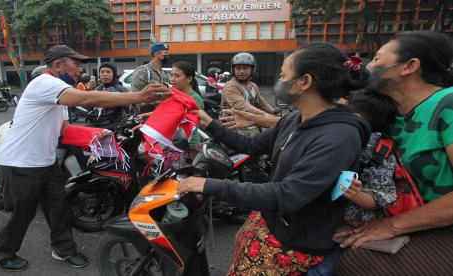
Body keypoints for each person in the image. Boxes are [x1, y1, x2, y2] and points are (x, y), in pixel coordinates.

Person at [178, 43, 371, 275]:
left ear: (305, 82)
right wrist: (209, 123)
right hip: (272, 222)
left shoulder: (338, 137)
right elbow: (250, 145)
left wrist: (209, 185)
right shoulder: (294, 119)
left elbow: (286, 195)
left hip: (297, 242)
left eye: (283, 75)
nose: (279, 81)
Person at [0, 45, 171, 272]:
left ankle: (63, 249)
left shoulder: (61, 92)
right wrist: (139, 96)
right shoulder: (44, 83)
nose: (80, 70)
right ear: (58, 65)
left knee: (60, 208)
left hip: (45, 162)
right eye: (76, 64)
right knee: (22, 214)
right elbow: (86, 98)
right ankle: (0, 253)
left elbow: (65, 132)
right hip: (20, 163)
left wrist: (99, 136)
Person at [335, 31, 453, 274]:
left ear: (409, 66)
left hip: (442, 230)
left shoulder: (447, 105)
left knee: (357, 262)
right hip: (407, 219)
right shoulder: (391, 113)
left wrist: (391, 225)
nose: (369, 66)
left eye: (377, 59)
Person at [307, 91, 399, 275]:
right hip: (320, 219)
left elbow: (379, 198)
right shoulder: (332, 135)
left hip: (351, 226)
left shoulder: (380, 151)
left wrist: (355, 193)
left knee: (321, 271)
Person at [221, 52, 275, 136]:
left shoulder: (253, 86)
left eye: (245, 68)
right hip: (234, 128)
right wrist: (268, 117)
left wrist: (274, 112)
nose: (242, 71)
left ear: (252, 70)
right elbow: (242, 106)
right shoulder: (230, 86)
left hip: (251, 125)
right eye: (238, 68)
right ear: (233, 70)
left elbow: (262, 103)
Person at [84, 63, 128, 130]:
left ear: (114, 74)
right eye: (102, 72)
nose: (105, 74)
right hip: (97, 125)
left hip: (116, 127)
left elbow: (129, 109)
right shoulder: (97, 89)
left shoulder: (121, 89)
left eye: (108, 72)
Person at [171, 61, 204, 149]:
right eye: (172, 75)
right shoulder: (175, 95)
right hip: (175, 144)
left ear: (189, 79)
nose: (172, 79)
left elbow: (174, 118)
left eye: (177, 76)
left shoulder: (194, 99)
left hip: (190, 146)